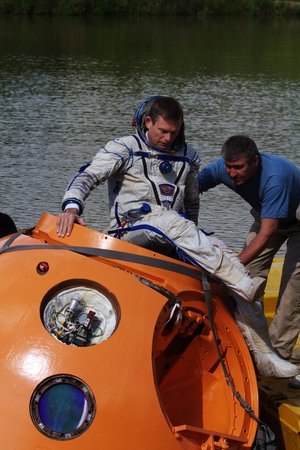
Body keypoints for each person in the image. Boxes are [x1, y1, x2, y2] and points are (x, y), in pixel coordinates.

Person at [57, 96, 266, 305]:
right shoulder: (125, 148)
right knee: (170, 221)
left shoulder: (189, 156)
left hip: (174, 232)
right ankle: (243, 285)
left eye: (173, 132)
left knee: (221, 250)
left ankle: (250, 311)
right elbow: (87, 176)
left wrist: (194, 240)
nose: (168, 138)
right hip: (129, 230)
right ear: (148, 122)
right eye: (163, 131)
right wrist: (72, 209)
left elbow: (192, 203)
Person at [198, 134, 300, 384]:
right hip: (268, 215)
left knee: (292, 290)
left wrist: (230, 264)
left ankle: (278, 356)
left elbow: (267, 233)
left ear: (255, 161)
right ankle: (246, 348)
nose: (232, 174)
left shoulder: (275, 177)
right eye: (229, 167)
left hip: (294, 221)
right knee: (244, 282)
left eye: (239, 167)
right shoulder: (221, 169)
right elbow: (191, 189)